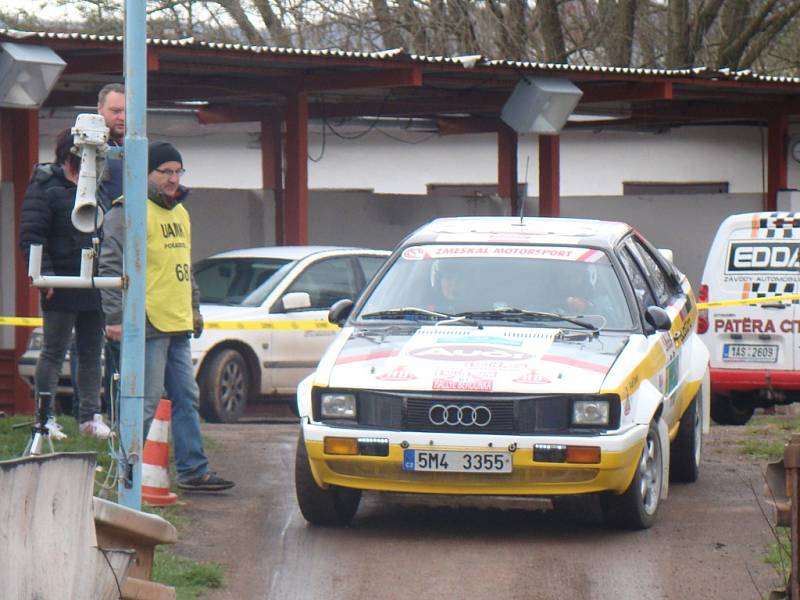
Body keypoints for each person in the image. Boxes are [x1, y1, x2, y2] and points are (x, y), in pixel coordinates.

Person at [98, 141, 234, 492]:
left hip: (175, 320)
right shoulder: (125, 213)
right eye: (166, 172)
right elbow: (111, 268)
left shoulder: (180, 213)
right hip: (147, 320)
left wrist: (194, 309)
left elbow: (183, 268)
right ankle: (122, 474)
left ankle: (193, 470)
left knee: (186, 397)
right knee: (144, 402)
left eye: (178, 171)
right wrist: (114, 317)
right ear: (146, 174)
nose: (174, 179)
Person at [18, 129, 111, 439]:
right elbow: (32, 234)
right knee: (54, 351)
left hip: (92, 281)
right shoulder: (45, 187)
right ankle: (45, 418)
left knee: (90, 350)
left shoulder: (97, 189)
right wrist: (43, 275)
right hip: (59, 280)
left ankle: (89, 417)